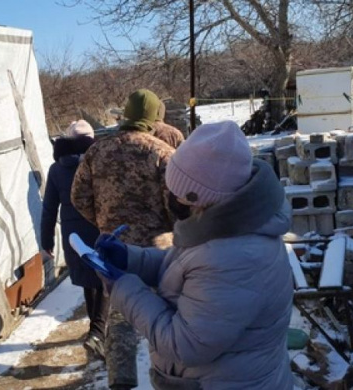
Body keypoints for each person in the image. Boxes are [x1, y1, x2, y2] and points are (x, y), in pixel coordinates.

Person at [94, 121, 294, 390]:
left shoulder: (235, 257)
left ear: (202, 196)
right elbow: (183, 266)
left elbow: (184, 344)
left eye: (180, 193)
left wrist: (123, 287)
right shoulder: (225, 225)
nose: (174, 199)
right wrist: (129, 258)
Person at [72, 89, 175, 389]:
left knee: (119, 318)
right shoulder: (163, 154)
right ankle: (166, 379)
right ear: (154, 117)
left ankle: (121, 382)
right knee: (164, 321)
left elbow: (78, 196)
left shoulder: (96, 152)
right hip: (158, 253)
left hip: (113, 250)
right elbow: (178, 206)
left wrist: (104, 222)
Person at [40, 120, 107, 357]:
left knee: (91, 284)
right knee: (104, 282)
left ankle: (97, 330)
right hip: (99, 228)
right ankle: (98, 333)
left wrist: (46, 241)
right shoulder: (98, 162)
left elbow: (49, 208)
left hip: (74, 235)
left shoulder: (57, 169)